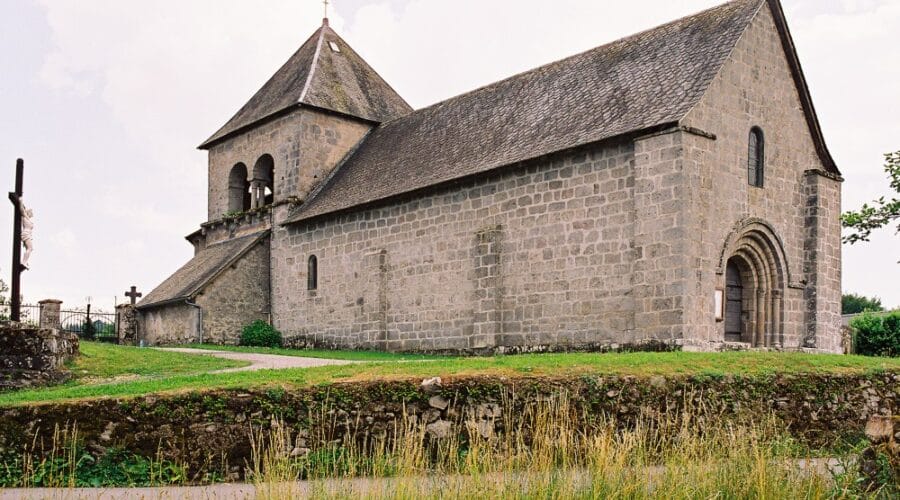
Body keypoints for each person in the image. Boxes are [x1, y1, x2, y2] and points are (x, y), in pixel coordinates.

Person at [16, 197, 33, 270]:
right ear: (28, 212)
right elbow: (22, 210)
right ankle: (24, 262)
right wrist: (20, 201)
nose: (32, 214)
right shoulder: (25, 216)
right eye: (31, 212)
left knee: (29, 248)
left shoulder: (28, 219)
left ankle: (25, 261)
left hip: (28, 234)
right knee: (30, 248)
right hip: (26, 233)